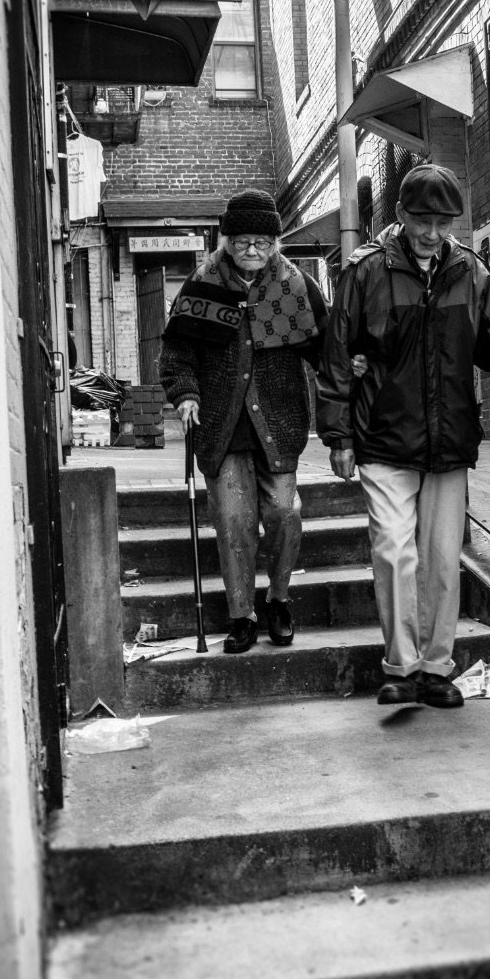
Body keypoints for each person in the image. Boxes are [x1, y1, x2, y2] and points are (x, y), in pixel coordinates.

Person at [316, 163, 490, 707]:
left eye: (443, 222)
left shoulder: (470, 272)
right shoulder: (365, 272)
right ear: (402, 215)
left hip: (448, 437)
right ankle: (400, 666)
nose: (433, 233)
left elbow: (488, 335)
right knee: (393, 550)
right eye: (422, 219)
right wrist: (337, 436)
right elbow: (337, 356)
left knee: (439, 556)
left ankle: (436, 668)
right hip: (383, 435)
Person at [160, 189, 329, 653]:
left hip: (279, 423)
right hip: (221, 423)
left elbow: (325, 350)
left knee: (284, 514)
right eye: (241, 242)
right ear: (226, 239)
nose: (251, 250)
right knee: (233, 520)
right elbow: (177, 353)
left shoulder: (295, 286)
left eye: (261, 241)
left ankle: (277, 599)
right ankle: (242, 615)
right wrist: (186, 395)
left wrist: (349, 369)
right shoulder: (202, 283)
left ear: (275, 242)